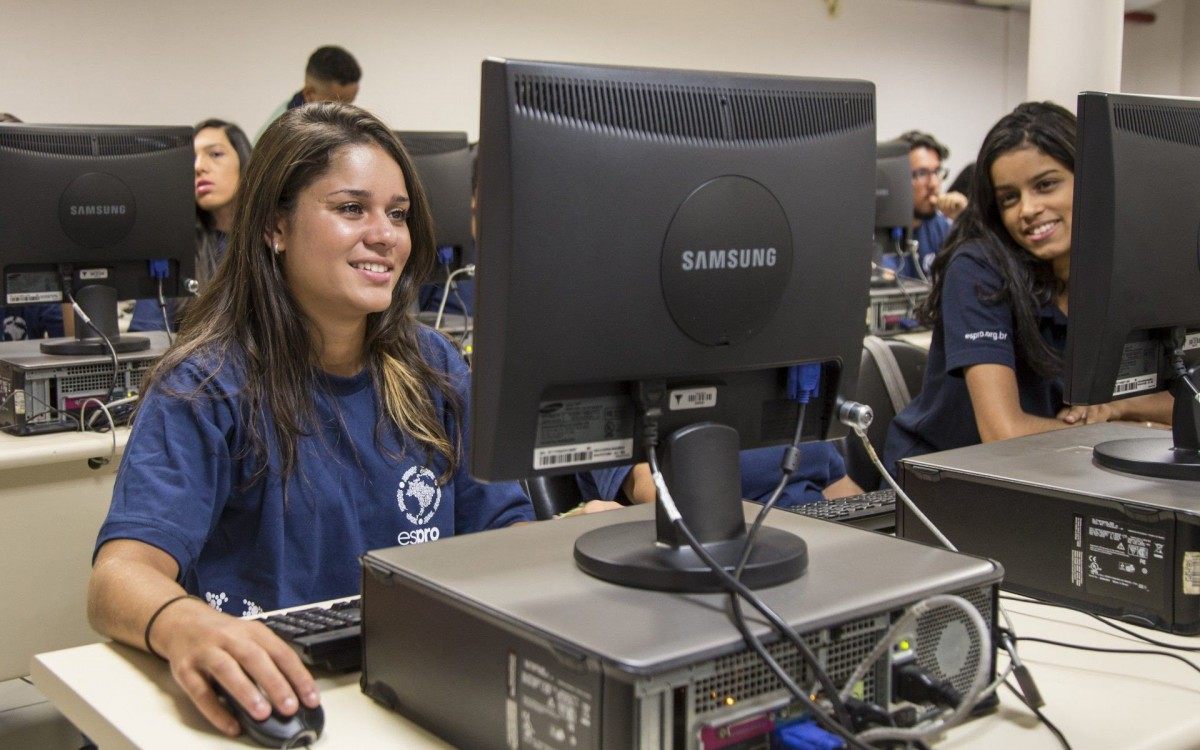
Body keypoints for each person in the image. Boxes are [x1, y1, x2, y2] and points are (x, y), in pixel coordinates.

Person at [87, 103, 534, 738]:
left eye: (399, 214)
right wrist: (187, 626)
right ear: (275, 226)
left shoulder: (433, 367)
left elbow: (503, 529)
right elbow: (118, 576)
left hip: (414, 682)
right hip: (282, 695)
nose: (385, 234)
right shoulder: (207, 385)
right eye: (352, 209)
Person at [882, 102, 1173, 478]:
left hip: (1070, 470)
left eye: (1046, 185)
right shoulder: (979, 269)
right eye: (1009, 198)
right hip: (947, 478)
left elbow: (1185, 406)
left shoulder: (1130, 270)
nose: (1028, 210)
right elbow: (1004, 433)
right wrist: (1134, 433)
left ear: (1091, 178)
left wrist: (1116, 411)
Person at [128, 119, 252, 332]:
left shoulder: (274, 241)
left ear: (244, 163)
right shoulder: (173, 249)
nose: (198, 167)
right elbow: (148, 338)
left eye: (215, 154)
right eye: (191, 159)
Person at [576, 442, 864, 513]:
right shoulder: (623, 369)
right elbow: (652, 489)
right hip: (731, 567)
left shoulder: (793, 373)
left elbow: (838, 486)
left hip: (820, 545)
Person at [897, 130, 966, 278]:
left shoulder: (941, 227)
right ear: (897, 177)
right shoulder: (876, 236)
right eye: (922, 173)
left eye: (937, 172)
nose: (934, 184)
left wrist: (965, 220)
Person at [256, 46, 361, 142]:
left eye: (349, 103)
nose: (345, 111)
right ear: (310, 93)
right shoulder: (278, 138)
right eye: (337, 104)